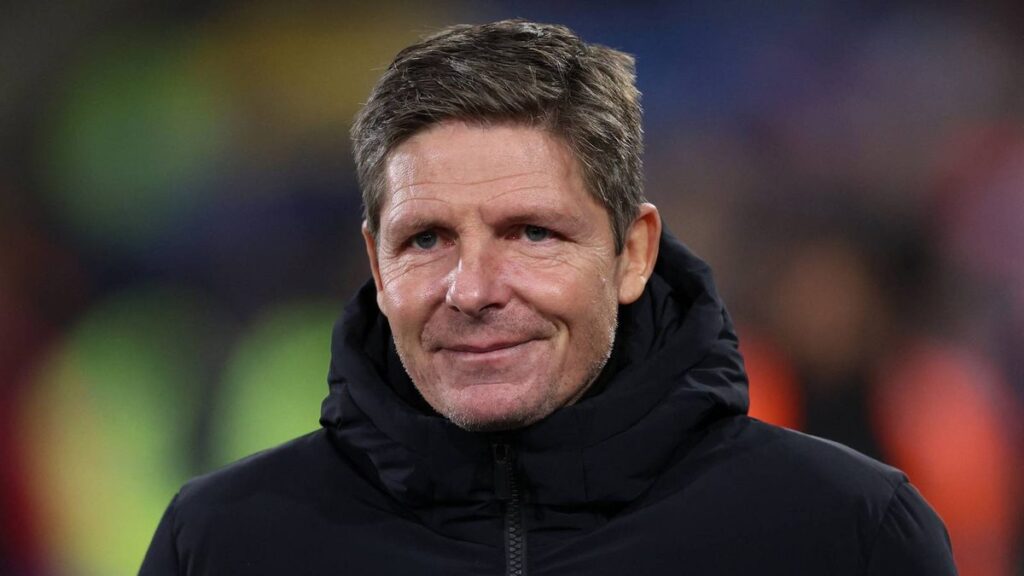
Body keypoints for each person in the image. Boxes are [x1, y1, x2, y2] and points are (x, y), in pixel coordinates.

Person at [139, 19, 957, 575]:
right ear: (375, 264)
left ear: (632, 252)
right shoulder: (221, 544)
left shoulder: (846, 533)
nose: (473, 290)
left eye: (532, 232)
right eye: (426, 239)